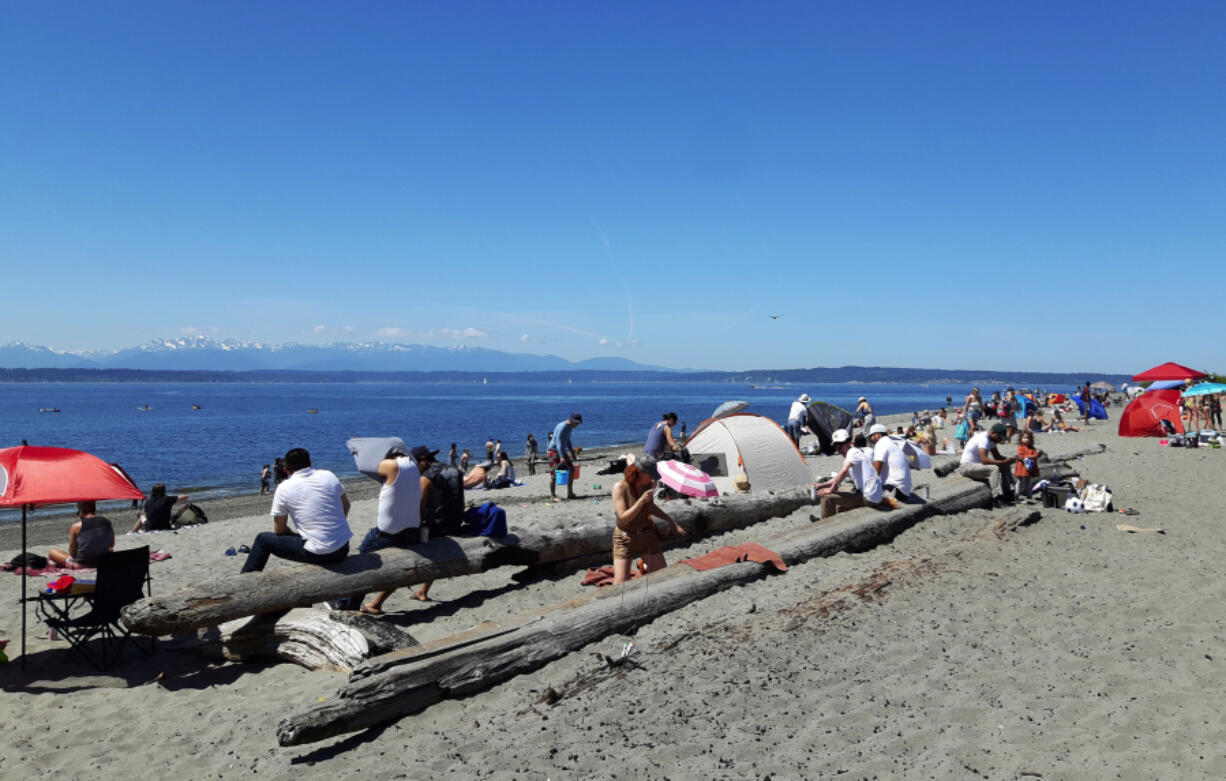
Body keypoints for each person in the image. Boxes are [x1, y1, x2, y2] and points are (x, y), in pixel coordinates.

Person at [337, 445, 434, 614]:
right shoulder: (415, 468)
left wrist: (359, 449)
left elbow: (365, 466)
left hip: (389, 533)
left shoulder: (392, 466)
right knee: (396, 569)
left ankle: (347, 605)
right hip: (411, 531)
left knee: (361, 566)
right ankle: (357, 603)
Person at [241, 448, 352, 573]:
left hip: (317, 553)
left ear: (286, 470)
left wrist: (295, 534)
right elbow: (346, 505)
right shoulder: (329, 475)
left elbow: (279, 530)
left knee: (262, 539)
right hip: (342, 547)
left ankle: (245, 579)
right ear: (310, 462)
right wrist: (333, 528)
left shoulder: (284, 488)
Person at [611, 456, 687, 584]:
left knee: (663, 578)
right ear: (639, 472)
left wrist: (671, 522)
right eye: (650, 475)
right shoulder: (620, 487)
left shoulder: (648, 485)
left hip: (646, 535)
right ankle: (643, 566)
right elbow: (623, 518)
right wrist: (640, 501)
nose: (653, 479)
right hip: (625, 537)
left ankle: (644, 566)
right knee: (620, 586)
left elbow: (651, 507)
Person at [814, 430, 885, 520]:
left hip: (869, 497)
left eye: (840, 446)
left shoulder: (853, 452)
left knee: (827, 498)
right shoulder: (853, 457)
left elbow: (843, 471)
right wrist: (821, 485)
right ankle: (838, 521)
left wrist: (830, 489)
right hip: (872, 494)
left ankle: (825, 526)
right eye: (836, 447)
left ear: (849, 443)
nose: (838, 450)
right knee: (838, 491)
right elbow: (838, 478)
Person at [957, 423, 1016, 506]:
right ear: (992, 432)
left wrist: (1009, 460)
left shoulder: (992, 440)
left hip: (976, 466)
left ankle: (1009, 492)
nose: (999, 440)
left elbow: (997, 456)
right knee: (994, 469)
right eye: (999, 437)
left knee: (1005, 465)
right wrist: (1002, 462)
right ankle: (997, 497)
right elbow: (984, 460)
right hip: (967, 467)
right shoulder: (983, 439)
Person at [48, 501, 115, 568]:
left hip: (82, 564)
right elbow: (112, 544)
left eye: (78, 512)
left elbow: (72, 554)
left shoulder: (76, 527)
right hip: (103, 561)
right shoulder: (107, 521)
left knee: (52, 552)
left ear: (81, 511)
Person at [868, 424, 914, 504]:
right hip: (904, 490)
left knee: (864, 496)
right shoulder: (892, 443)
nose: (870, 439)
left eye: (871, 436)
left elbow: (877, 468)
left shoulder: (881, 444)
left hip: (895, 489)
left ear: (878, 435)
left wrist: (869, 486)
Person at [549, 412, 582, 501]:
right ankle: (553, 496)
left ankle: (570, 493)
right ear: (572, 420)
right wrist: (561, 456)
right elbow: (559, 442)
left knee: (571, 470)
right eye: (577, 423)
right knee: (554, 474)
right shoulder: (563, 427)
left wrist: (572, 452)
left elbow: (567, 440)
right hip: (554, 451)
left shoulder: (569, 427)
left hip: (561, 451)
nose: (577, 425)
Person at [1014, 430, 1040, 503]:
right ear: (1021, 439)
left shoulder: (1032, 448)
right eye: (1024, 438)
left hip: (1029, 468)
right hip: (1021, 467)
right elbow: (1020, 455)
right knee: (1019, 482)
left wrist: (1032, 456)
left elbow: (1036, 455)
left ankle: (1029, 495)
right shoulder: (1020, 447)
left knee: (1028, 482)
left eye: (1028, 438)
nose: (1026, 440)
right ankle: (1016, 495)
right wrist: (1028, 457)